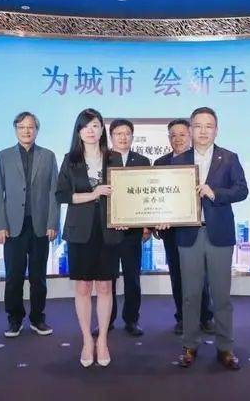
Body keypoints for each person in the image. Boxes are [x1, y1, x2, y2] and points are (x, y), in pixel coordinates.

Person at [169, 107, 248, 371]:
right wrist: (164, 216)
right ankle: (189, 345)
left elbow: (242, 190)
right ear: (190, 129)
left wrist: (215, 193)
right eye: (198, 126)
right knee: (190, 295)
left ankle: (225, 348)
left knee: (221, 296)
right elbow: (170, 198)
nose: (203, 131)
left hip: (219, 234)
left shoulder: (229, 158)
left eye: (208, 126)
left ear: (216, 130)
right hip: (188, 234)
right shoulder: (179, 161)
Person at [55, 108, 124, 367]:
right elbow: (62, 195)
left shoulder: (114, 157)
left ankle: (103, 339)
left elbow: (124, 193)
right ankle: (87, 340)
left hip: (109, 230)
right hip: (80, 231)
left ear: (102, 129)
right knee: (83, 287)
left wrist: (124, 217)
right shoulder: (70, 159)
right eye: (85, 126)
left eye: (95, 125)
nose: (91, 130)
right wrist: (94, 194)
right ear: (79, 131)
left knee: (105, 287)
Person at [0, 111, 60, 338]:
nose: (26, 131)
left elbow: (54, 192)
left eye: (30, 127)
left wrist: (53, 222)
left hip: (40, 225)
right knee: (14, 277)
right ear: (16, 130)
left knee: (38, 277)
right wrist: (0, 225)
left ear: (37, 130)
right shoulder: (4, 156)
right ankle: (14, 319)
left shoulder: (48, 156)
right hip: (12, 227)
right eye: (21, 127)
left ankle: (38, 318)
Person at [154, 119, 214, 336]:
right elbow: (154, 197)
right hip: (170, 230)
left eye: (182, 134)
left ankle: (206, 317)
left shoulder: (200, 160)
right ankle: (182, 317)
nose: (177, 139)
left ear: (190, 136)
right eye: (173, 135)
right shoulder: (160, 163)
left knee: (200, 275)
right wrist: (154, 223)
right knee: (177, 275)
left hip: (196, 228)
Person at [106, 118, 150, 336]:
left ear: (132, 136)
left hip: (133, 231)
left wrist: (147, 226)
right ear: (111, 136)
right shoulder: (102, 159)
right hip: (108, 232)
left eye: (127, 134)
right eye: (118, 134)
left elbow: (148, 195)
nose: (123, 137)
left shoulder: (142, 160)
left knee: (132, 278)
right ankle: (107, 319)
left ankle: (132, 320)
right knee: (108, 279)